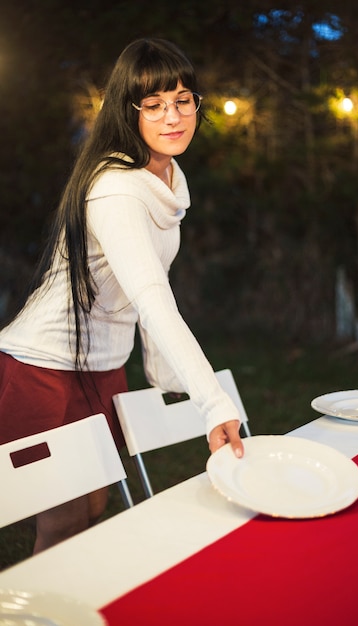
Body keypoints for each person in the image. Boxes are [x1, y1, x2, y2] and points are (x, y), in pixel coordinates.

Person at [0, 38, 244, 553]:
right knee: (63, 517)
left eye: (182, 100)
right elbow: (154, 299)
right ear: (128, 112)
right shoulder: (116, 187)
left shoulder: (167, 178)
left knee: (93, 507)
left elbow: (152, 282)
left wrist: (166, 376)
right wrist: (212, 402)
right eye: (154, 106)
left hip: (102, 368)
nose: (173, 117)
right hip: (43, 365)